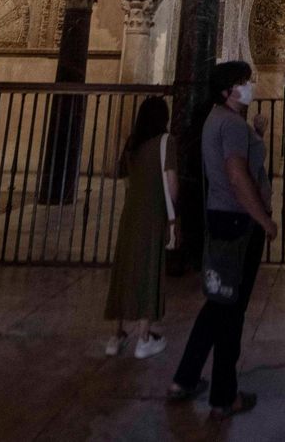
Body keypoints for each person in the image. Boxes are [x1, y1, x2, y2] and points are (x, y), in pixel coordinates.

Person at [168, 61, 276, 419]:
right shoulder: (230, 124)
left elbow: (239, 161)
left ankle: (184, 378)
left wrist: (255, 134)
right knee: (231, 311)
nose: (249, 86)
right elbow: (236, 176)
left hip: (222, 218)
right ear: (227, 91)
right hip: (238, 222)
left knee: (217, 305)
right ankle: (224, 397)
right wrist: (263, 219)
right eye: (243, 82)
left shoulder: (220, 120)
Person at [103, 96, 179, 360]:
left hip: (130, 213)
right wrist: (173, 214)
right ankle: (144, 338)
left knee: (125, 269)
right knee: (149, 270)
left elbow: (122, 176)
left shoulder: (131, 144)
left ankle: (118, 335)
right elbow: (171, 184)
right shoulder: (165, 142)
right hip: (153, 214)